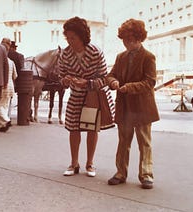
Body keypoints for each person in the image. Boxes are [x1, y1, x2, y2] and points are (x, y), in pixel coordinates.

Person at [106, 19, 160, 189]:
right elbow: (110, 75)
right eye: (124, 39)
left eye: (130, 39)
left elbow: (150, 82)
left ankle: (146, 175)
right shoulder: (120, 57)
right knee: (123, 142)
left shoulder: (148, 57)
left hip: (142, 107)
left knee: (144, 142)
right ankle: (120, 172)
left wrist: (129, 87)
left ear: (139, 38)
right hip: (125, 107)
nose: (126, 42)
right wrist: (113, 81)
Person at [59, 16, 112, 177]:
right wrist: (65, 80)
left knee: (91, 128)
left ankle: (90, 164)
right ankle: (74, 163)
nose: (69, 41)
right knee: (73, 129)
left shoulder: (96, 52)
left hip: (92, 96)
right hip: (75, 95)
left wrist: (87, 83)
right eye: (67, 38)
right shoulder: (65, 54)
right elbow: (61, 76)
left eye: (73, 38)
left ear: (82, 36)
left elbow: (105, 79)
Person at [0, 38, 18, 131]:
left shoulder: (0, 61)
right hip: (10, 87)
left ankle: (6, 121)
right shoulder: (11, 61)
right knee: (4, 106)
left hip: (3, 86)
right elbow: (15, 76)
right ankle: (3, 126)